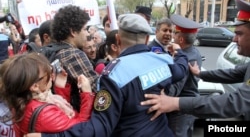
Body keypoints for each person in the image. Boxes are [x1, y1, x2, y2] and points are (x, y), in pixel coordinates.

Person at [26, 13, 189, 137]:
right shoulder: (164, 60)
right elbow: (181, 70)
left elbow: (100, 127)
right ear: (147, 40)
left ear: (118, 40)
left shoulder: (113, 75)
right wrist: (180, 53)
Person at [140, 0, 250, 122]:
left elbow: (233, 103)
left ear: (180, 38)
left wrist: (173, 102)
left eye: (239, 34)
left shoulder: (185, 55)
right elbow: (233, 73)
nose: (234, 39)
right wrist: (200, 73)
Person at [0, 52, 94, 137]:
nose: (52, 75)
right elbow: (82, 129)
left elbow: (61, 120)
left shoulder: (23, 98)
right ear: (35, 86)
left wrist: (61, 88)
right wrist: (87, 94)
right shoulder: (44, 113)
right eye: (48, 73)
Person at [51, 5, 99, 111]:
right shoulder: (73, 54)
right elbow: (97, 88)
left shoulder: (57, 50)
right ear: (73, 32)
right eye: (84, 29)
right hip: (79, 115)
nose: (87, 33)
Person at [166, 14, 203, 137]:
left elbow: (174, 89)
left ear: (181, 39)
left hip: (180, 109)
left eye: (175, 33)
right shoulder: (194, 52)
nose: (172, 36)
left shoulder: (185, 59)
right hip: (191, 104)